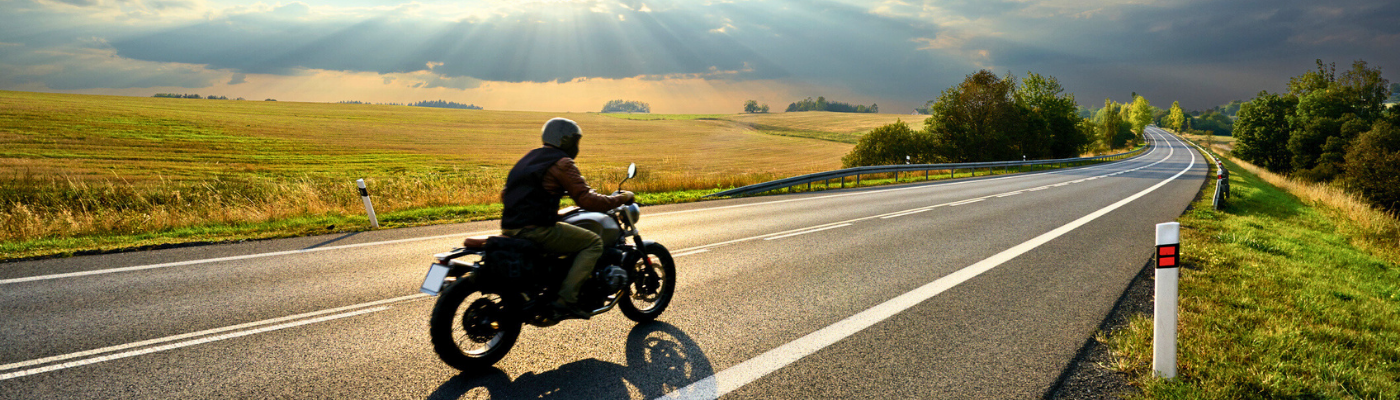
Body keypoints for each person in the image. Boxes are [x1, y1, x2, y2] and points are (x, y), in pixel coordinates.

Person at [497, 118, 634, 320]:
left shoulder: (529, 158)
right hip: (536, 230)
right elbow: (587, 199)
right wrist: (621, 198)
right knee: (593, 243)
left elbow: (505, 194)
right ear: (567, 140)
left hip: (510, 228)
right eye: (576, 141)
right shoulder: (562, 162)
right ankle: (566, 301)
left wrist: (545, 203)